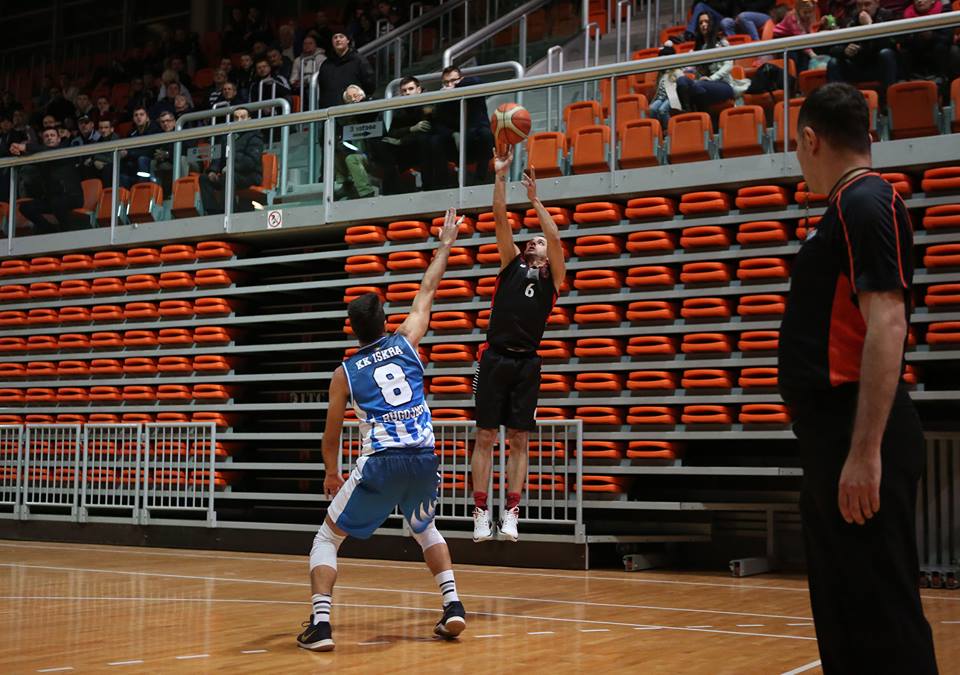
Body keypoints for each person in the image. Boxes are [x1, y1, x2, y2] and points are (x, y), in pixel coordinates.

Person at [778, 82, 938, 674]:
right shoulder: (847, 208)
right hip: (833, 436)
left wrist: (865, 452)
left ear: (810, 139)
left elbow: (888, 324)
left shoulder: (865, 202)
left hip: (857, 432)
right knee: (846, 618)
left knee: (883, 620)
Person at [296, 210, 467, 651]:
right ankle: (453, 605)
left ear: (353, 331)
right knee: (425, 527)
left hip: (382, 460)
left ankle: (321, 625)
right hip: (424, 456)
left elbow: (331, 435)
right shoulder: (406, 340)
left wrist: (331, 472)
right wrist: (445, 244)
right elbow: (428, 290)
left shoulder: (344, 373)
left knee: (327, 537)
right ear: (385, 321)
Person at [470, 148, 565, 543]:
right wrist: (499, 176)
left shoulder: (553, 279)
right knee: (485, 437)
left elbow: (555, 237)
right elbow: (499, 219)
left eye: (538, 242)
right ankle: (480, 511)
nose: (534, 243)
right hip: (493, 359)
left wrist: (535, 200)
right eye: (532, 241)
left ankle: (511, 511)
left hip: (527, 364)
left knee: (520, 439)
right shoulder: (510, 265)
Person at [383, 76, 454, 191]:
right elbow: (392, 133)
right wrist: (412, 129)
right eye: (404, 90)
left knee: (430, 141)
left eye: (410, 89)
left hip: (432, 147)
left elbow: (433, 129)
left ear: (419, 90)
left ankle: (438, 185)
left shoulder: (430, 103)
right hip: (410, 149)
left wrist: (403, 140)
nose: (407, 93)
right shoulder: (400, 109)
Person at [11, 127, 84, 234]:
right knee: (25, 207)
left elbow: (46, 151)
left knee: (57, 202)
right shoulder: (42, 156)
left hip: (72, 197)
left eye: (52, 135)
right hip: (52, 199)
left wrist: (25, 146)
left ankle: (67, 232)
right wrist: (17, 152)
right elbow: (29, 156)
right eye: (46, 136)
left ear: (59, 139)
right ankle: (50, 231)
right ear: (43, 140)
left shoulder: (64, 150)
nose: (49, 138)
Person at [676, 12, 751, 112]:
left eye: (706, 22)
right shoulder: (697, 49)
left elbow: (728, 66)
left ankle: (697, 112)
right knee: (681, 81)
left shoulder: (722, 43)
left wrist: (711, 78)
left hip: (724, 85)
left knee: (697, 86)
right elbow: (689, 68)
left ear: (712, 24)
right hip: (702, 86)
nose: (703, 25)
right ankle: (689, 112)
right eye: (700, 23)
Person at [826, 0, 898, 98]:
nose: (863, 9)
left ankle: (890, 99)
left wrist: (870, 26)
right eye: (859, 5)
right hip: (857, 66)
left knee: (886, 53)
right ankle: (836, 102)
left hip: (879, 66)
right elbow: (833, 48)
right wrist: (845, 51)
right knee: (833, 62)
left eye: (867, 4)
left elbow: (889, 44)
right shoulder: (851, 19)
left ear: (877, 3)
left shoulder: (887, 16)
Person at [199, 107, 264, 214]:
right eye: (236, 118)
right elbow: (218, 158)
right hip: (229, 174)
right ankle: (212, 211)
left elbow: (251, 162)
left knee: (228, 177)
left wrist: (231, 167)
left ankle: (229, 211)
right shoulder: (227, 137)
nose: (239, 120)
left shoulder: (255, 136)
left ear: (249, 119)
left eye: (242, 117)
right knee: (204, 178)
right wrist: (213, 171)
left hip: (249, 175)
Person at [437, 66, 495, 184]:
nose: (449, 85)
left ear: (461, 79)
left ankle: (480, 179)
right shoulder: (443, 101)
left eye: (453, 80)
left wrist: (456, 87)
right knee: (436, 140)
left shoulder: (472, 90)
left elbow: (478, 81)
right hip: (457, 145)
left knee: (485, 134)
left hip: (477, 141)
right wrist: (453, 134)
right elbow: (439, 125)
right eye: (446, 82)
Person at [316, 33, 374, 108]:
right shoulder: (326, 64)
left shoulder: (359, 60)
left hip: (353, 109)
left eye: (341, 37)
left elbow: (369, 85)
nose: (338, 39)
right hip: (330, 110)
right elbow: (323, 89)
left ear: (348, 40)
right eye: (335, 37)